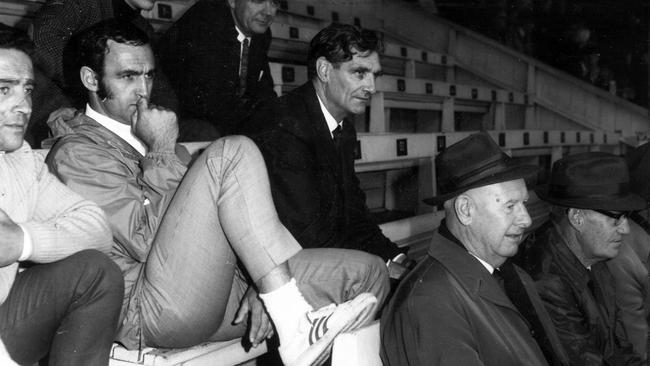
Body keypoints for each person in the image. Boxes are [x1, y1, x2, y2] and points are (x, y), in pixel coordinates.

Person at [44, 19, 389, 366]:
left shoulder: (150, 136)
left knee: (365, 273)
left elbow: (215, 232)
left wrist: (262, 279)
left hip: (215, 292)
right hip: (148, 308)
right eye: (128, 76)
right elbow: (147, 242)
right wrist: (162, 149)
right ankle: (292, 316)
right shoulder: (77, 153)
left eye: (148, 75)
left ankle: (288, 311)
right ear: (91, 80)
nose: (143, 90)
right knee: (232, 152)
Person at [381, 132, 567, 366]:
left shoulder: (512, 274)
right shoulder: (429, 302)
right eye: (510, 206)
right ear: (465, 210)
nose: (527, 220)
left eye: (524, 204)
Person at [0, 27, 124, 366]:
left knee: (96, 273)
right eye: (3, 89)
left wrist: (20, 241)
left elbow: (97, 228)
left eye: (26, 89)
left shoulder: (20, 160)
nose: (24, 105)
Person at [246, 23, 409, 276]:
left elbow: (355, 216)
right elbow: (309, 237)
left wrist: (399, 258)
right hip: (282, 269)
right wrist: (385, 267)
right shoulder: (285, 123)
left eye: (374, 75)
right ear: (324, 70)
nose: (372, 88)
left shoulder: (344, 129)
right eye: (359, 73)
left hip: (322, 256)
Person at [516, 152, 645, 365]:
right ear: (577, 217)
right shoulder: (546, 279)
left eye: (627, 217)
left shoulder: (594, 258)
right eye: (616, 218)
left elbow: (617, 348)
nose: (626, 229)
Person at [157, 0, 279, 141]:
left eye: (275, 3)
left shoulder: (261, 34)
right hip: (178, 121)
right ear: (232, 1)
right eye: (258, 1)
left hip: (222, 120)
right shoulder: (205, 20)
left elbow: (264, 91)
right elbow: (211, 104)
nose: (268, 12)